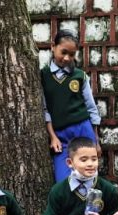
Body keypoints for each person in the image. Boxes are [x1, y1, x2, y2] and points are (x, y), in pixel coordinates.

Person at [41, 29, 102, 182]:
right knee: (63, 181)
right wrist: (53, 137)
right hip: (60, 137)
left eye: (72, 54)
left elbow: (91, 107)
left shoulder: (80, 76)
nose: (67, 58)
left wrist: (96, 141)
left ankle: (90, 206)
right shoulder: (43, 76)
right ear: (52, 47)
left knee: (89, 177)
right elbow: (44, 109)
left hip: (83, 130)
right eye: (63, 52)